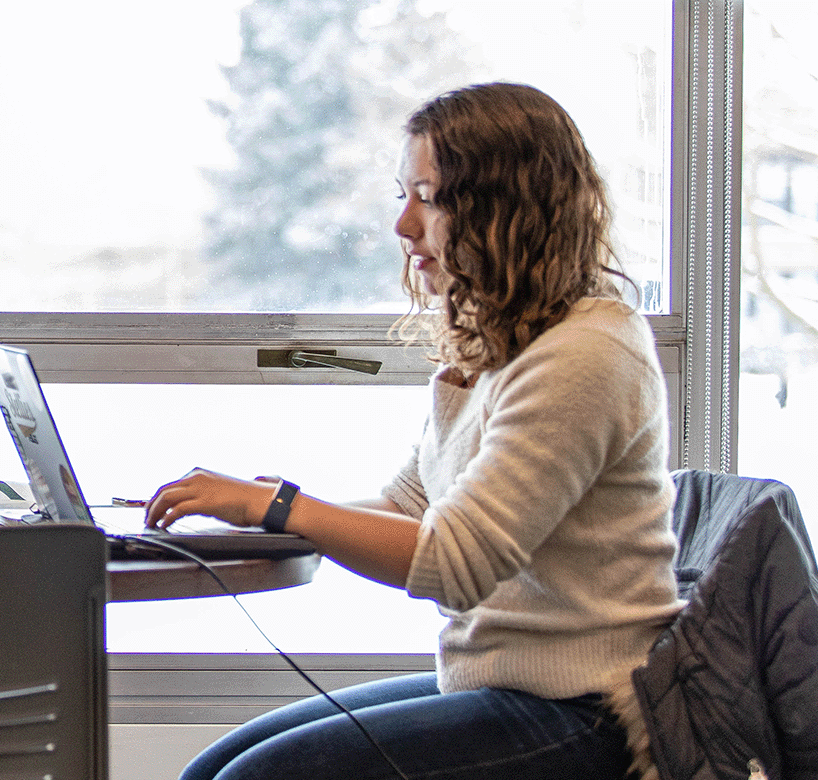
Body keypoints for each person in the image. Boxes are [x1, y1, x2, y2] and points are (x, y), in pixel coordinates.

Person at [145, 82, 683, 780]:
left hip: (586, 710)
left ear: (502, 207)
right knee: (218, 767)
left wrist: (282, 507)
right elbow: (411, 504)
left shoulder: (586, 354)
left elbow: (454, 564)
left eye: (427, 197)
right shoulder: (512, 342)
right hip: (508, 686)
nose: (403, 226)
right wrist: (253, 520)